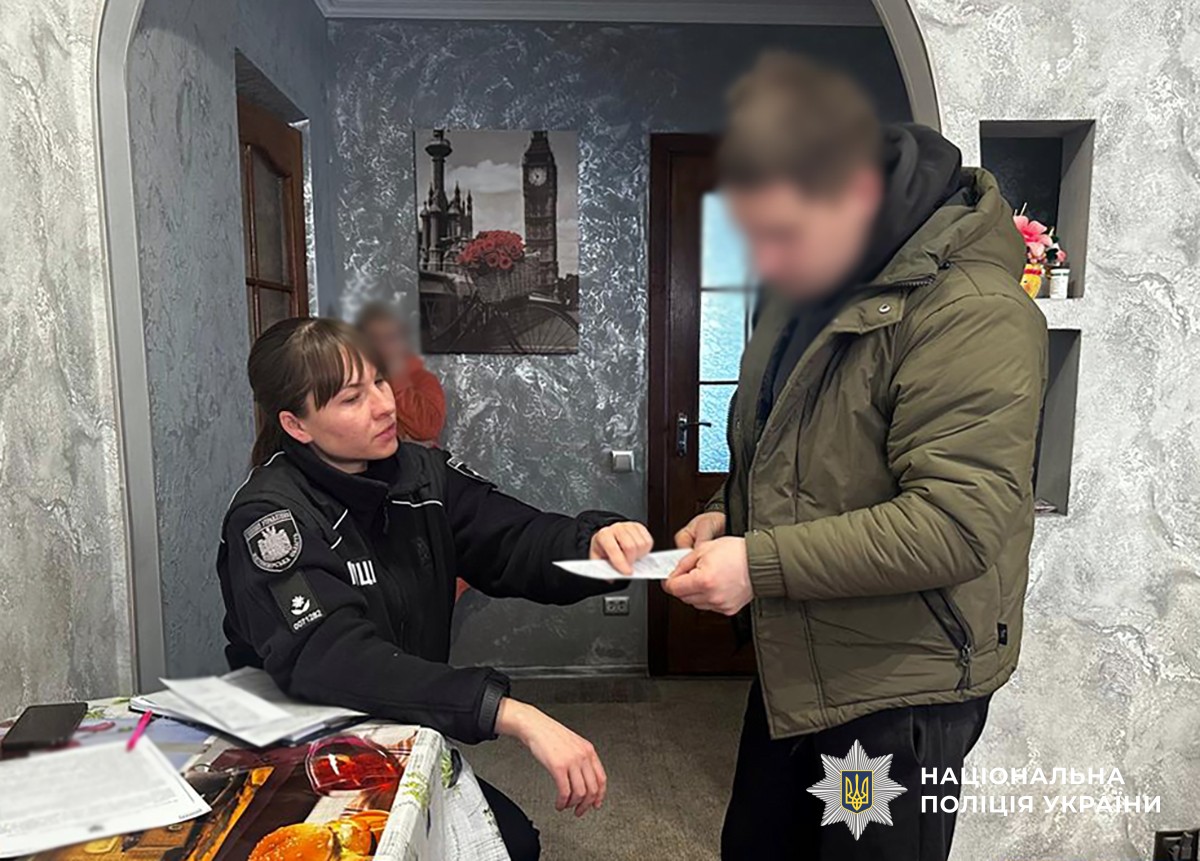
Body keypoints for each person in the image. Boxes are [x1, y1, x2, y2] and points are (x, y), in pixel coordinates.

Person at [664, 53, 1049, 861]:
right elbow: (788, 450)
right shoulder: (803, 286)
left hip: (895, 690)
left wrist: (756, 563)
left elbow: (954, 524)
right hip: (801, 660)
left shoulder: (973, 311)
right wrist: (725, 514)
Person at [217, 317, 654, 860]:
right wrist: (509, 712)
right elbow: (333, 659)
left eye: (380, 382)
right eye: (352, 398)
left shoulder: (419, 473)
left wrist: (593, 545)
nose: (385, 406)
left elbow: (512, 537)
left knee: (513, 844)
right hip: (303, 746)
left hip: (401, 730)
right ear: (296, 424)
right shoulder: (271, 518)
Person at [356, 302, 446, 446]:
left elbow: (427, 429)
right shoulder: (355, 381)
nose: (382, 345)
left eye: (389, 338)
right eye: (374, 338)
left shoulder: (422, 379)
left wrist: (396, 376)